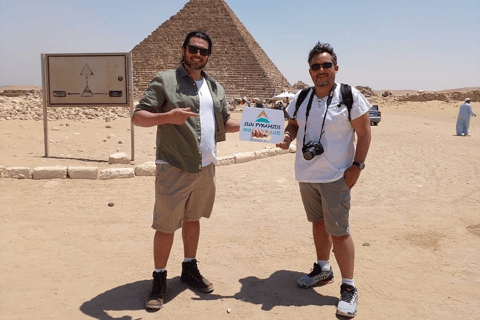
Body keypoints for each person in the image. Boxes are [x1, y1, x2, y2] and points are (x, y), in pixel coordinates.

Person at [132, 30, 265, 311]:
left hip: (206, 167)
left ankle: (189, 269)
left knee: (193, 219)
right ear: (183, 49)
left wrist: (261, 125)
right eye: (193, 48)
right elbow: (138, 117)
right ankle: (159, 278)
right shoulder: (165, 80)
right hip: (175, 165)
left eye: (204, 51)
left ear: (208, 55)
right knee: (166, 225)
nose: (198, 54)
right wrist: (168, 117)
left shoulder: (215, 87)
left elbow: (225, 124)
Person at [276, 42, 371, 318]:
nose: (321, 70)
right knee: (318, 223)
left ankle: (349, 287)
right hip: (307, 175)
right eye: (316, 66)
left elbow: (364, 133)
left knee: (339, 231)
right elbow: (293, 124)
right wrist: (286, 137)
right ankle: (323, 269)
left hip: (335, 176)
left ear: (336, 68)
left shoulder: (349, 96)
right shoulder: (302, 97)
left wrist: (357, 166)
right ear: (309, 70)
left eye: (326, 65)